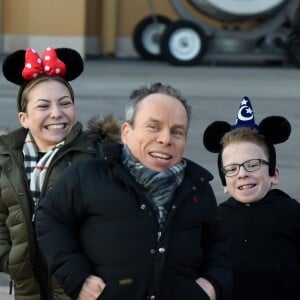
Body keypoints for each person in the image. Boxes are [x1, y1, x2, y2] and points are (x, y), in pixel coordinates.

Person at [35, 82, 233, 300]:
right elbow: (49, 220)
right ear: (126, 133)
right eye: (153, 127)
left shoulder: (198, 187)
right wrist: (76, 276)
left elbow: (219, 247)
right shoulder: (87, 176)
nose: (165, 139)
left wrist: (213, 284)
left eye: (177, 132)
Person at [0, 46, 120, 300]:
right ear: (24, 118)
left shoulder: (98, 155)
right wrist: (12, 262)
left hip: (81, 286)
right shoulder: (7, 162)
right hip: (28, 286)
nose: (56, 113)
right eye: (43, 106)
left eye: (65, 103)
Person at [203, 96, 300, 300]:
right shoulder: (214, 221)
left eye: (253, 165)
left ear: (274, 173)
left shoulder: (292, 214)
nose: (242, 173)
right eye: (231, 169)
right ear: (224, 182)